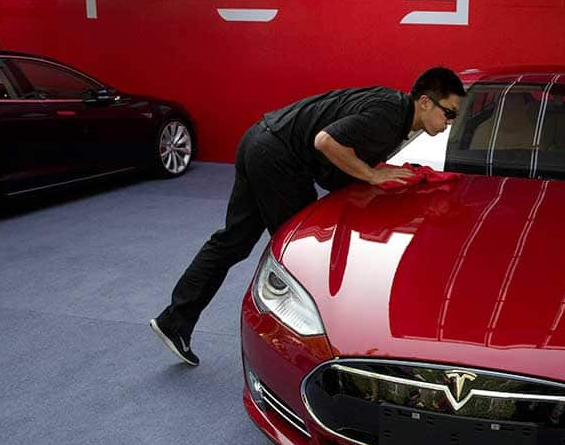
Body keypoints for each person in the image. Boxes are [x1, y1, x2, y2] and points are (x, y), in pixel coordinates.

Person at [149, 67, 466, 366]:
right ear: (425, 102)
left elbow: (331, 169)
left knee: (234, 241)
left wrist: (373, 172)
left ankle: (174, 321)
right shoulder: (388, 116)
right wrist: (371, 175)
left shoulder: (392, 110)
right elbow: (325, 141)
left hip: (259, 141)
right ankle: (306, 354)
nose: (450, 122)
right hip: (276, 156)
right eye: (448, 113)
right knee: (303, 251)